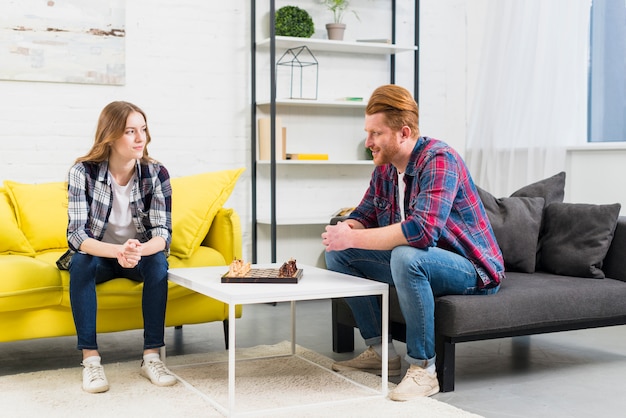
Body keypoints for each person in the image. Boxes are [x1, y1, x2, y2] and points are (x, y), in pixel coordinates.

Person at [322, 85, 505, 401]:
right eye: (368, 133)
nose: (368, 143)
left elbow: (422, 233)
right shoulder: (386, 168)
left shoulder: (439, 160)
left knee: (408, 255)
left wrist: (353, 235)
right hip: (422, 263)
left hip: (471, 268)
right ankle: (381, 352)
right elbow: (365, 213)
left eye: (375, 134)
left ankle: (424, 370)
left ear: (403, 133)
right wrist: (345, 231)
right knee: (340, 254)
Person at [60, 101, 177, 393]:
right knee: (81, 262)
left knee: (158, 263)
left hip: (140, 255)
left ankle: (151, 356)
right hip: (101, 256)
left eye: (143, 129)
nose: (141, 138)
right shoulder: (82, 172)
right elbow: (77, 236)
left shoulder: (156, 173)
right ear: (110, 135)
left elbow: (162, 234)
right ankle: (91, 361)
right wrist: (118, 251)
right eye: (130, 131)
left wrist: (137, 251)